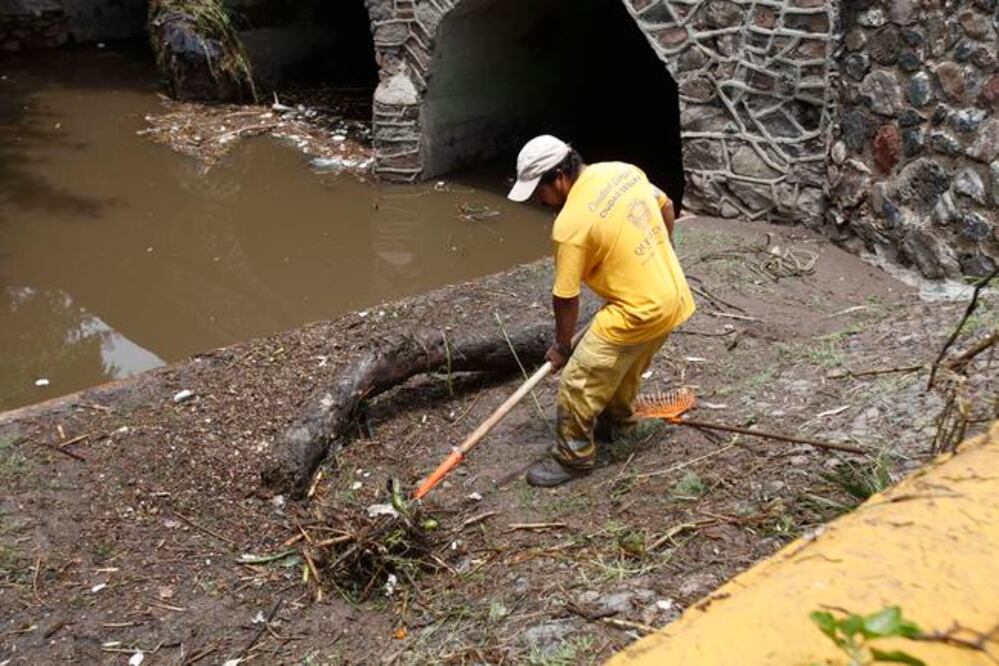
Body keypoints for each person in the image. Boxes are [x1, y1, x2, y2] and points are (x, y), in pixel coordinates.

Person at [507, 135, 696, 487]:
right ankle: (620, 426)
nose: (539, 201)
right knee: (623, 369)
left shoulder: (570, 226)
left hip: (636, 311)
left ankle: (573, 458)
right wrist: (660, 256)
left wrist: (563, 347)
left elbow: (565, 297)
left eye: (539, 192)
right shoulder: (621, 171)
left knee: (578, 383)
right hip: (671, 297)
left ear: (559, 177)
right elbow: (666, 207)